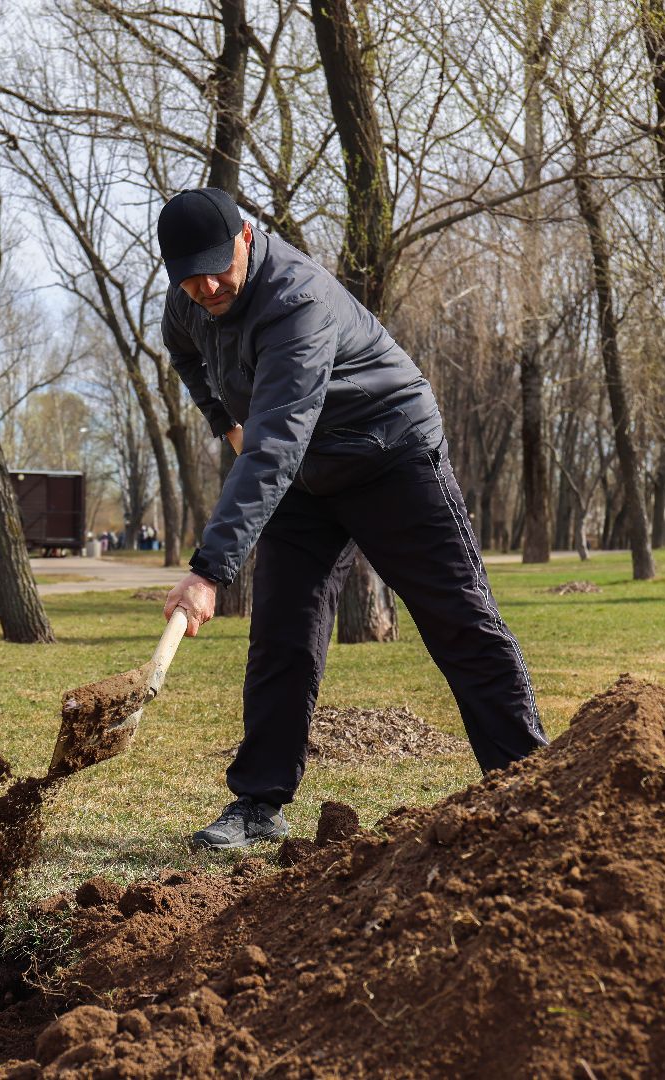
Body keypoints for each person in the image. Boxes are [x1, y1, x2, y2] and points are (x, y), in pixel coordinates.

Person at [154, 187, 548, 851]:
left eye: (218, 268)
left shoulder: (295, 301)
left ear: (246, 238)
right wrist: (223, 422)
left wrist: (208, 571)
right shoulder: (188, 300)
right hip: (305, 481)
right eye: (191, 278)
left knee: (458, 620)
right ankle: (258, 804)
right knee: (281, 635)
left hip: (388, 454)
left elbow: (275, 445)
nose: (208, 286)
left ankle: (531, 787)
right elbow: (187, 356)